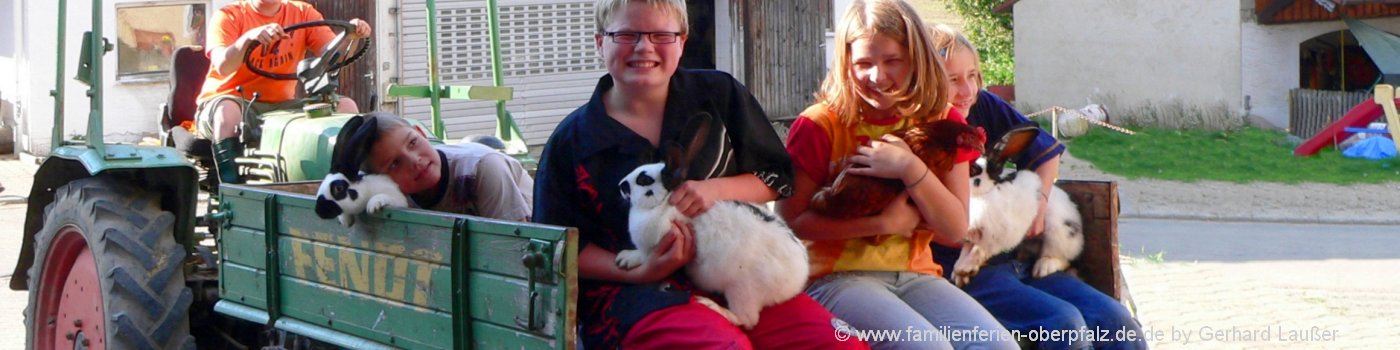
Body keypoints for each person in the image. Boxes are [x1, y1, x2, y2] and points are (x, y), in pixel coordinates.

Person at [533, 0, 869, 348]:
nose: (644, 46)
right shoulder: (573, 141)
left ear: (682, 40)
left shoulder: (718, 95)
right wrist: (643, 269)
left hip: (737, 273)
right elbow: (558, 242)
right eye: (626, 34)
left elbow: (777, 178)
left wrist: (716, 189)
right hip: (635, 292)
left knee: (837, 343)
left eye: (661, 34)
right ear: (600, 41)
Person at [777, 1, 1018, 349]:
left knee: (998, 346)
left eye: (892, 60)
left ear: (916, 57)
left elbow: (953, 229)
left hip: (916, 273)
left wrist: (910, 168)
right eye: (863, 63)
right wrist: (882, 224)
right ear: (846, 63)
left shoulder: (941, 121)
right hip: (834, 277)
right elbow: (791, 224)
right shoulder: (820, 124)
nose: (877, 76)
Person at [929, 24, 1146, 350]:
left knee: (1116, 321)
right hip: (969, 271)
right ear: (927, 80)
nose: (968, 90)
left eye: (973, 75)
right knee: (1064, 324)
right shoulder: (922, 130)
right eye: (953, 80)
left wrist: (1039, 206)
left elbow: (1045, 153)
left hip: (1021, 258)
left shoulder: (983, 106)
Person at [197, 0, 372, 184]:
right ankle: (233, 189)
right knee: (226, 113)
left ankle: (345, 180)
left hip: (282, 104)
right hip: (232, 100)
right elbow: (223, 65)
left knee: (346, 106)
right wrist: (249, 38)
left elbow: (330, 55)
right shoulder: (229, 16)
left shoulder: (303, 12)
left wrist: (350, 37)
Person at [331, 112, 534, 221]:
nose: (415, 161)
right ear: (379, 180)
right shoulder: (383, 193)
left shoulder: (482, 168)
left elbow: (514, 245)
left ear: (420, 131)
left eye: (413, 142)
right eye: (395, 163)